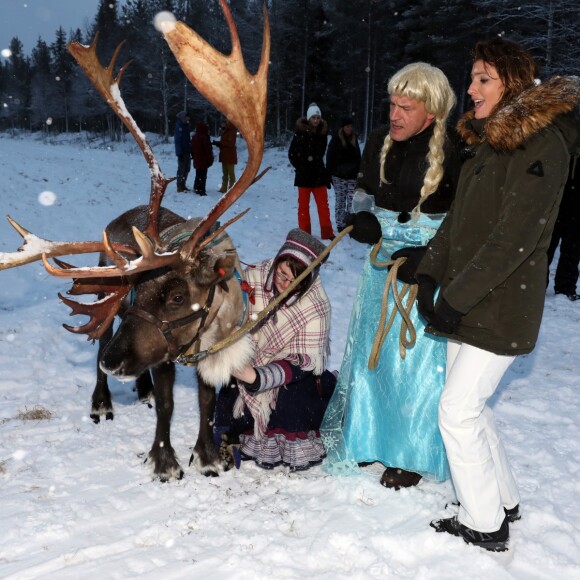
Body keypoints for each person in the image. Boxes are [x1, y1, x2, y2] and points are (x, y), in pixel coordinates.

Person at [414, 39, 580, 551]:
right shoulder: (492, 143)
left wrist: (454, 297)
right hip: (471, 297)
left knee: (456, 410)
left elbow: (516, 238)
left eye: (483, 78)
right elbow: (460, 222)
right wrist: (427, 274)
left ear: (511, 82)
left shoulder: (542, 144)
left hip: (503, 304)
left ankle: (484, 524)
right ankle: (501, 500)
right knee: (474, 408)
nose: (470, 88)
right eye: (472, 77)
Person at [321, 63, 461, 489]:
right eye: (392, 105)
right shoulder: (380, 141)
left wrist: (432, 255)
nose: (395, 115)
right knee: (371, 353)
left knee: (414, 363)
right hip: (382, 266)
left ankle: (411, 451)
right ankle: (366, 437)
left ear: (432, 113)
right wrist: (365, 219)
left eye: (406, 107)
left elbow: (466, 220)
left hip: (426, 266)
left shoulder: (455, 150)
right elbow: (365, 192)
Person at [214, 228, 337, 471]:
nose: (284, 285)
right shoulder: (254, 277)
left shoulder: (317, 306)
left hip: (290, 373)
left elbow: (305, 361)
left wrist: (258, 377)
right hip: (249, 357)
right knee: (229, 391)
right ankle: (228, 436)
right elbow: (229, 316)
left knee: (291, 399)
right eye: (281, 274)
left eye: (294, 281)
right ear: (277, 262)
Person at [288, 103, 335, 240]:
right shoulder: (300, 133)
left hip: (319, 175)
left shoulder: (322, 133)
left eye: (318, 117)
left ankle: (327, 232)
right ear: (309, 118)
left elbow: (320, 154)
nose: (316, 120)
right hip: (303, 176)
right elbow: (292, 154)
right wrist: (301, 166)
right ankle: (304, 233)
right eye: (313, 117)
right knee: (303, 206)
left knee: (323, 206)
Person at [546, 156, 580, 301]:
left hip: (576, 198)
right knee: (547, 242)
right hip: (557, 194)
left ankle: (566, 287)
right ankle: (537, 284)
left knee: (573, 245)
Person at [326, 117, 362, 232]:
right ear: (343, 128)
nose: (349, 128)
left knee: (352, 201)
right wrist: (329, 174)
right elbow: (329, 157)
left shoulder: (354, 139)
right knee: (341, 200)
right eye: (347, 126)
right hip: (338, 176)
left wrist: (359, 171)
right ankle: (340, 224)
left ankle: (350, 223)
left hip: (352, 176)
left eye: (351, 126)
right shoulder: (336, 140)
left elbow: (358, 157)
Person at [212, 119, 237, 193]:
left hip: (230, 155)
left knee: (231, 173)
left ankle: (232, 189)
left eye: (224, 123)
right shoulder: (225, 131)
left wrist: (220, 143)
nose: (222, 124)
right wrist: (218, 144)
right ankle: (224, 188)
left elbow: (230, 144)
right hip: (224, 155)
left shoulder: (232, 131)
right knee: (225, 173)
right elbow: (225, 143)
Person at [190, 121, 213, 197]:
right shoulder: (204, 137)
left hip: (197, 159)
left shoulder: (194, 137)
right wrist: (210, 158)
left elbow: (192, 149)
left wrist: (193, 156)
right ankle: (201, 190)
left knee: (198, 174)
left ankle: (196, 187)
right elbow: (208, 150)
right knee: (203, 175)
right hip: (203, 159)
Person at [174, 110, 192, 192]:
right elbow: (178, 141)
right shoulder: (179, 127)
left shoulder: (186, 126)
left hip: (187, 151)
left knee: (187, 169)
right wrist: (179, 153)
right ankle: (179, 185)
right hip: (182, 152)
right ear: (183, 117)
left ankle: (183, 184)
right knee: (181, 169)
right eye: (187, 116)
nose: (188, 118)